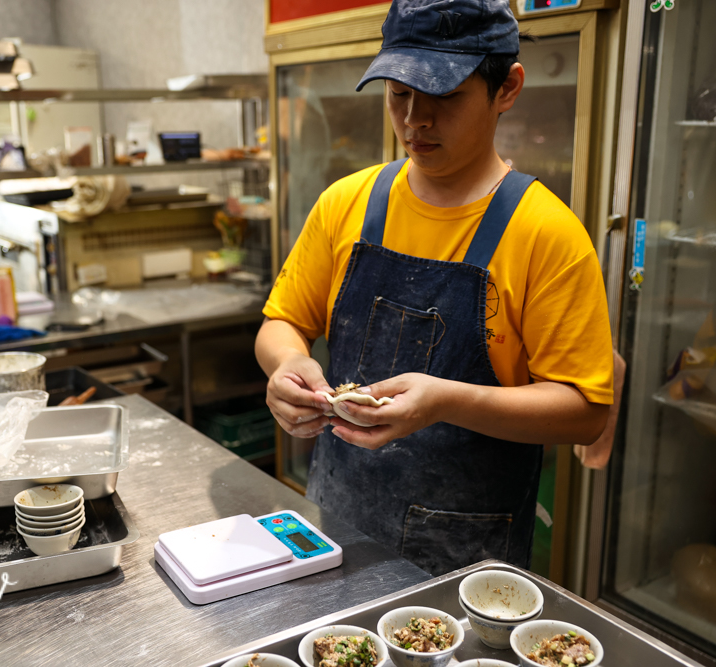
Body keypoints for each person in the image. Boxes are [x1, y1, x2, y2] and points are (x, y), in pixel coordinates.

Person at [255, 0, 614, 575]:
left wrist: (446, 400)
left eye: (444, 96)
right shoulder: (346, 203)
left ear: (508, 87)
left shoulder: (546, 234)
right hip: (335, 524)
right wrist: (286, 366)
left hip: (467, 558)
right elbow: (283, 322)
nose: (415, 119)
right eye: (399, 93)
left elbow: (584, 410)